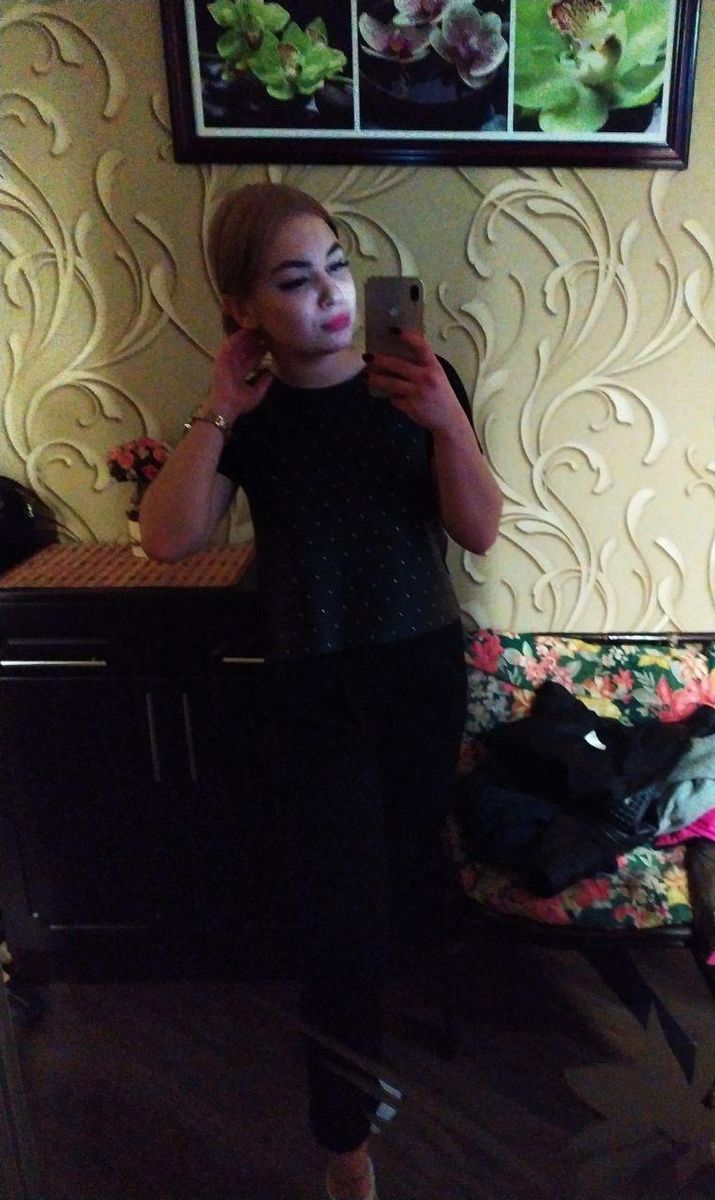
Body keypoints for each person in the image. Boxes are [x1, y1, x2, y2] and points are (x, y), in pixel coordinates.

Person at [140, 182, 501, 1200]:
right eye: (295, 282)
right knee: (340, 924)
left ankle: (366, 1054)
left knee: (395, 891)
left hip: (420, 673)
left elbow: (478, 530)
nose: (332, 295)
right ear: (243, 309)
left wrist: (447, 422)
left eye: (337, 266)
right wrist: (219, 403)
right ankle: (345, 1146)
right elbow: (167, 539)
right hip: (313, 689)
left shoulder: (420, 382)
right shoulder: (250, 417)